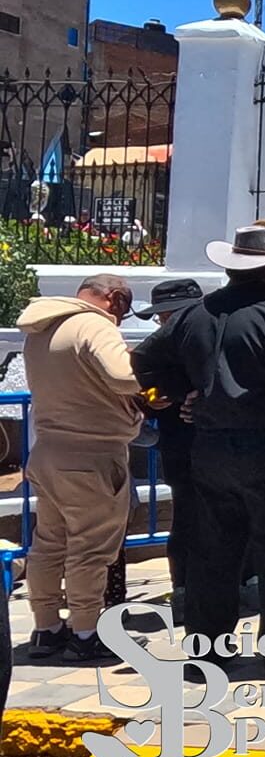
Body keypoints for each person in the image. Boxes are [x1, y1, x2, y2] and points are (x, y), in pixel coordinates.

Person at [131, 225, 265, 671]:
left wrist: (184, 391)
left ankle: (207, 652)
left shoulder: (195, 315)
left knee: (212, 552)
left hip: (210, 448)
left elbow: (144, 359)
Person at [18, 272, 140, 663]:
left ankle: (46, 627)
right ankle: (85, 633)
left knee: (48, 544)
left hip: (48, 450)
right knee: (90, 547)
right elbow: (125, 377)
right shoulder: (94, 324)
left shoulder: (41, 327)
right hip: (92, 454)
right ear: (115, 299)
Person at [133, 277, 206, 621]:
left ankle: (241, 584)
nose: (163, 323)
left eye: (168, 315)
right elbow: (143, 389)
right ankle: (183, 590)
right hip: (181, 446)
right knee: (187, 519)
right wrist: (157, 399)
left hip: (218, 443)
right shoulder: (157, 348)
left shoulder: (212, 337)